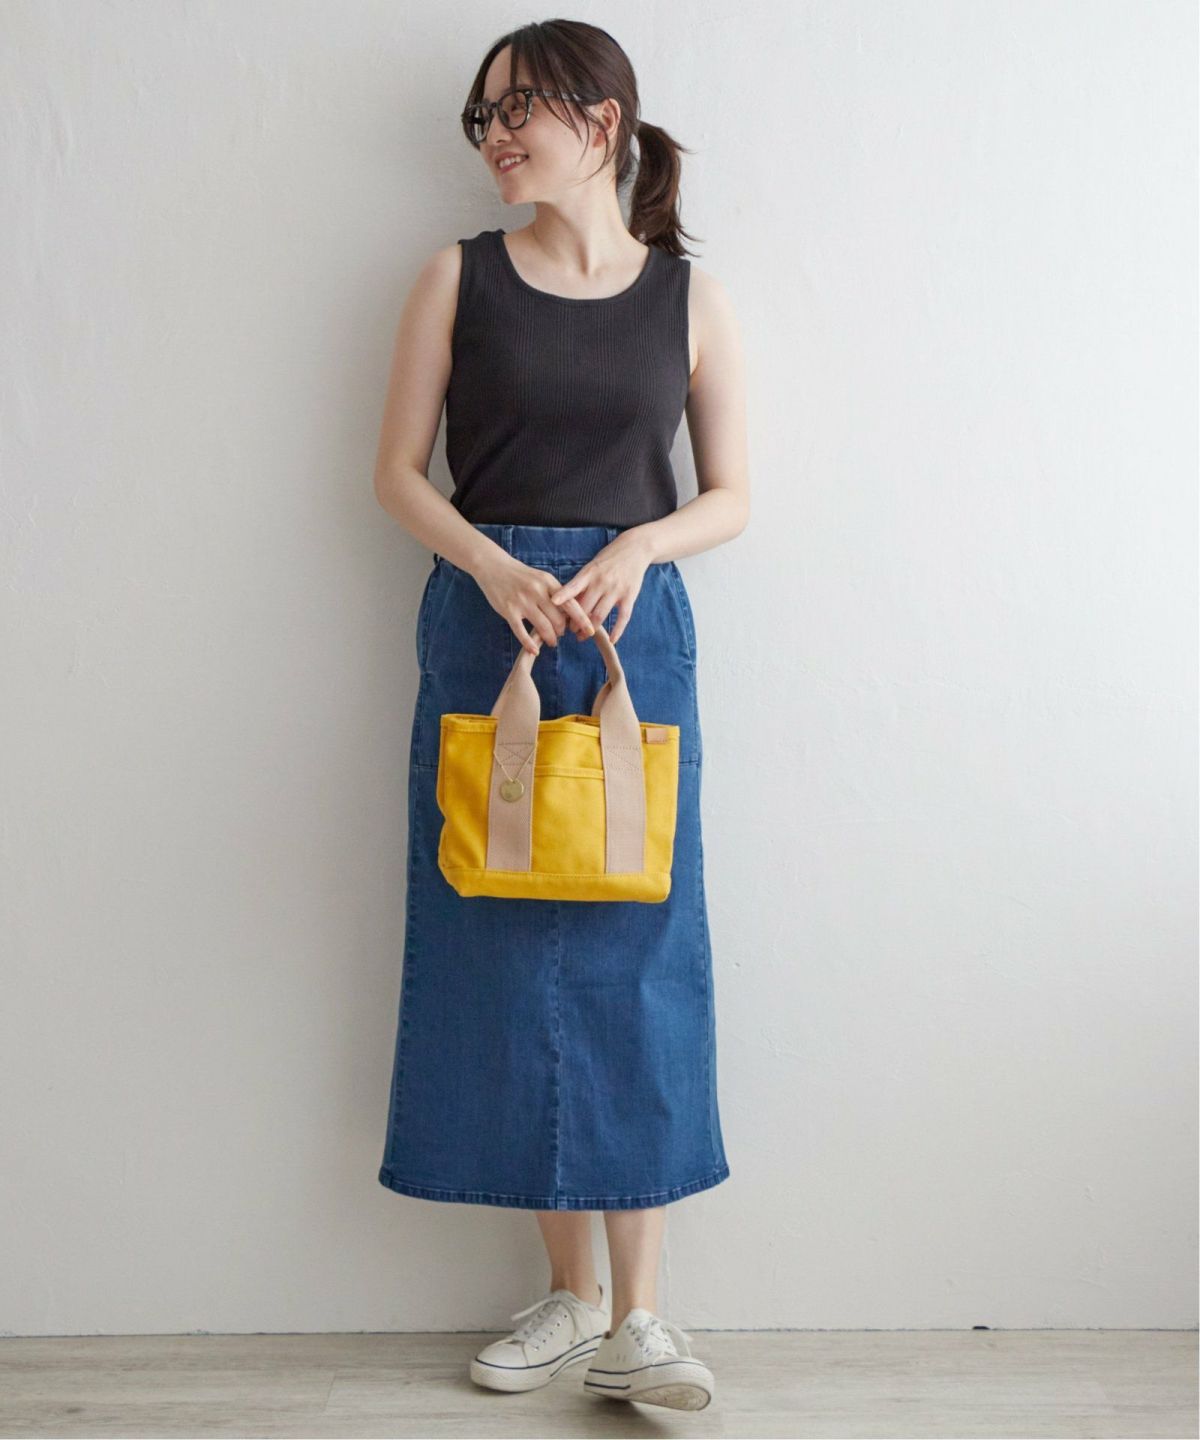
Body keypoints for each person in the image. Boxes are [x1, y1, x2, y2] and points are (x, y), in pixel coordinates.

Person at [372, 19, 748, 1414]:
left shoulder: (688, 298)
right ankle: (572, 1297)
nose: (493, 139)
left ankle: (644, 1320)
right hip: (493, 633)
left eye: (514, 110)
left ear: (601, 120)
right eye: (481, 118)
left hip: (633, 641)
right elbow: (395, 474)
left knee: (636, 953)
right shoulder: (455, 276)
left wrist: (644, 543)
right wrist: (488, 563)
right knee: (506, 939)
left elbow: (734, 495)